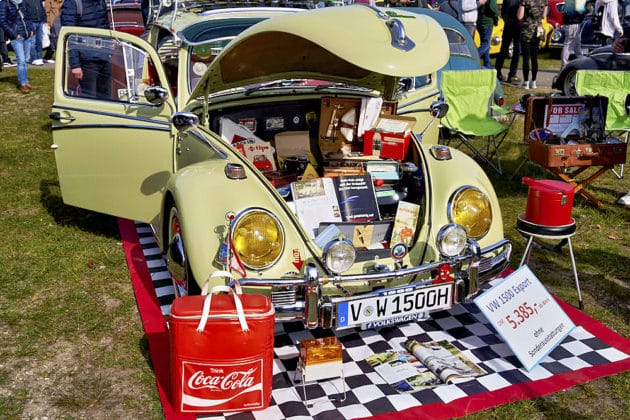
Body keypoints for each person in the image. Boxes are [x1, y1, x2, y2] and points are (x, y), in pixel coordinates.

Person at [61, 0, 111, 98]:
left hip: (104, 56)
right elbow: (69, 34)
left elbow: (105, 26)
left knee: (106, 98)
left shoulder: (100, 2)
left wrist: (109, 49)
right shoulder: (73, 3)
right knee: (88, 98)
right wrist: (75, 65)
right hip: (86, 58)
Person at [0, 0, 35, 93]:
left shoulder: (22, 2)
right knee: (21, 60)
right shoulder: (4, 3)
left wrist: (31, 29)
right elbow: (3, 22)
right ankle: (23, 84)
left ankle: (26, 81)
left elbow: (28, 17)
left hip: (27, 34)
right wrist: (14, 34)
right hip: (17, 37)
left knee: (26, 59)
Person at [517, 0, 547, 89]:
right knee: (534, 58)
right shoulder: (544, 1)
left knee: (526, 58)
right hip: (537, 31)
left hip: (527, 31)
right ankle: (533, 82)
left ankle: (525, 82)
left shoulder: (525, 1)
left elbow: (520, 16)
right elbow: (544, 16)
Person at [494, 0, 521, 83]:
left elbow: (503, 12)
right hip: (517, 25)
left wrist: (506, 19)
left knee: (504, 49)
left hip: (508, 23)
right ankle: (512, 74)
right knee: (517, 50)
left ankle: (498, 71)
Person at [560, 0, 587, 69]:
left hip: (570, 22)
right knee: (568, 44)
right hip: (573, 23)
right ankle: (564, 65)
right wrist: (587, 11)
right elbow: (580, 10)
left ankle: (581, 60)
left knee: (577, 43)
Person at [476, 0, 498, 69]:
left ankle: (487, 65)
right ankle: (474, 56)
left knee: (485, 45)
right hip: (487, 22)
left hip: (479, 21)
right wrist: (496, 15)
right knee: (486, 43)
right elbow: (492, 7)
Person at [25, 0, 46, 65]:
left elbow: (42, 8)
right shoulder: (25, 1)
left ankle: (39, 57)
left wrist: (44, 18)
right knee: (32, 41)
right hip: (32, 22)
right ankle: (34, 58)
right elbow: (25, 12)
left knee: (39, 41)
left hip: (40, 22)